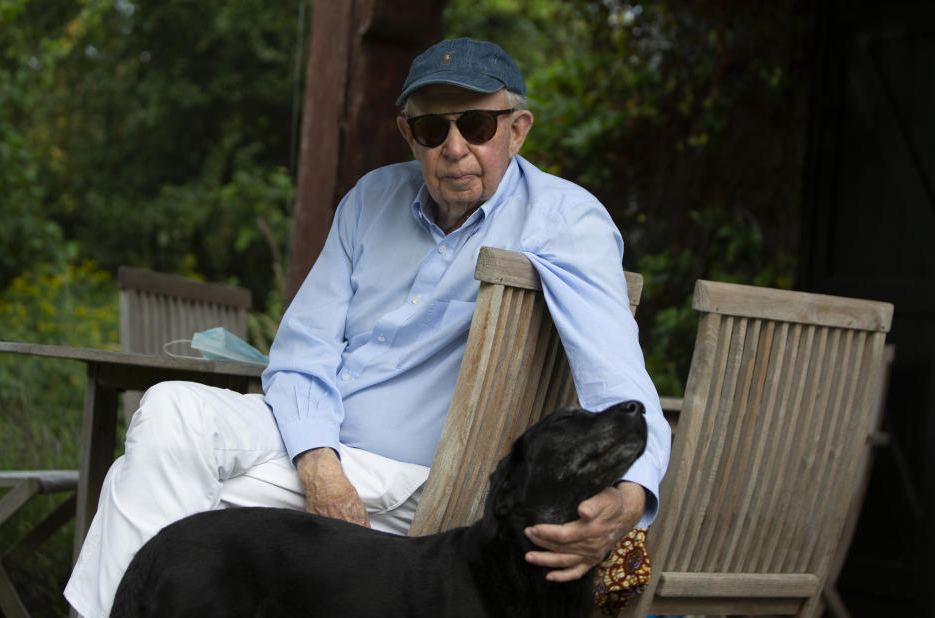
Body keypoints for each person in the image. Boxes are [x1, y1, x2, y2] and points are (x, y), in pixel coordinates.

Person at [64, 37, 671, 618]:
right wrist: (319, 462)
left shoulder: (564, 219)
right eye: (433, 129)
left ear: (517, 130)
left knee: (176, 504)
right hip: (311, 438)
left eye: (477, 126)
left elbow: (620, 380)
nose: (455, 148)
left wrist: (631, 497)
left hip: (409, 474)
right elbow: (303, 352)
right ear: (409, 133)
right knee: (170, 412)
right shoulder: (370, 198)